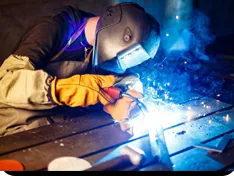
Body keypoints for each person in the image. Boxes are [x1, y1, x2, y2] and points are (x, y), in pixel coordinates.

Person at [0, 2, 160, 136]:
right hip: (17, 127)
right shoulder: (55, 27)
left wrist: (130, 97)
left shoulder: (104, 49)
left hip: (58, 127)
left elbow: (125, 80)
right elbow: (5, 84)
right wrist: (60, 90)